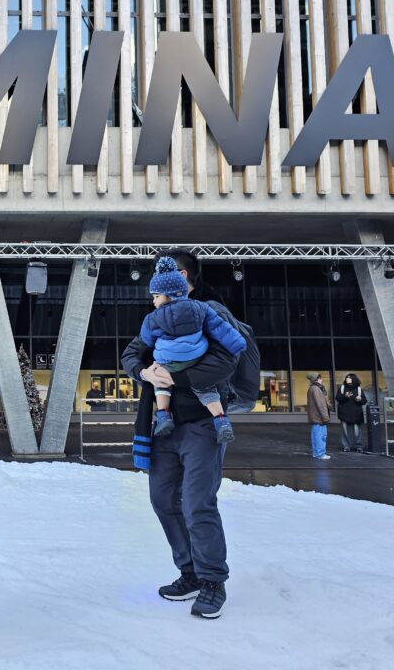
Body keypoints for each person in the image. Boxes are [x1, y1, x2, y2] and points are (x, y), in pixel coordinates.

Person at [121, 249, 238, 620]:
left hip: (202, 424)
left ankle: (212, 580)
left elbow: (228, 359)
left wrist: (178, 378)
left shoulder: (209, 312)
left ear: (183, 276)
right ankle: (189, 571)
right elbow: (129, 354)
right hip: (162, 426)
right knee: (162, 499)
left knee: (197, 502)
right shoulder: (155, 318)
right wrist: (144, 374)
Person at [140, 256, 247, 444]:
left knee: (160, 381)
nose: (154, 301)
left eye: (156, 296)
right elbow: (220, 328)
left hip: (169, 362)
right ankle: (221, 420)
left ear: (169, 295)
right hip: (196, 358)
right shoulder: (200, 308)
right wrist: (238, 343)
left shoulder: (152, 318)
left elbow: (147, 339)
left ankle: (164, 415)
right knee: (205, 388)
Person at [335, 373, 366, 452]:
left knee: (357, 431)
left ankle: (358, 446)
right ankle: (346, 446)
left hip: (356, 414)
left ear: (353, 379)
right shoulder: (342, 388)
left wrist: (360, 399)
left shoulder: (359, 389)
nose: (347, 379)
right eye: (346, 378)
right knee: (345, 431)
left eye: (349, 378)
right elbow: (338, 398)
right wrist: (345, 396)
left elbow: (364, 401)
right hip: (344, 413)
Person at [307, 372, 331, 460]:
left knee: (317, 435)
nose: (322, 380)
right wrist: (325, 417)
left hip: (316, 417)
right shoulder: (316, 389)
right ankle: (320, 454)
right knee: (320, 436)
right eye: (320, 378)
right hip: (319, 417)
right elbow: (320, 404)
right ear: (316, 379)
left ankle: (317, 453)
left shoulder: (313, 388)